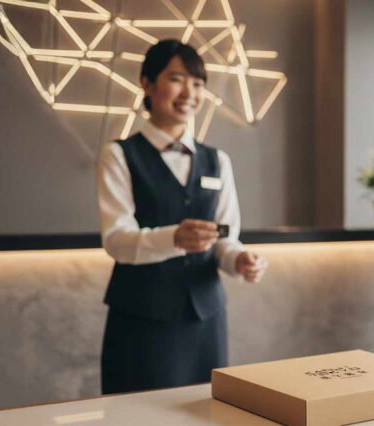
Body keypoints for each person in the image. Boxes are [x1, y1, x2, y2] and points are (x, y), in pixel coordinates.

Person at [95, 39, 268, 394]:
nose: (189, 92)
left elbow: (224, 238)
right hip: (141, 319)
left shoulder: (218, 160)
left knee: (207, 413)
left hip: (206, 320)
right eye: (177, 78)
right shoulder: (119, 155)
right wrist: (174, 238)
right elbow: (116, 239)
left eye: (198, 83)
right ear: (147, 83)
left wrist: (240, 259)